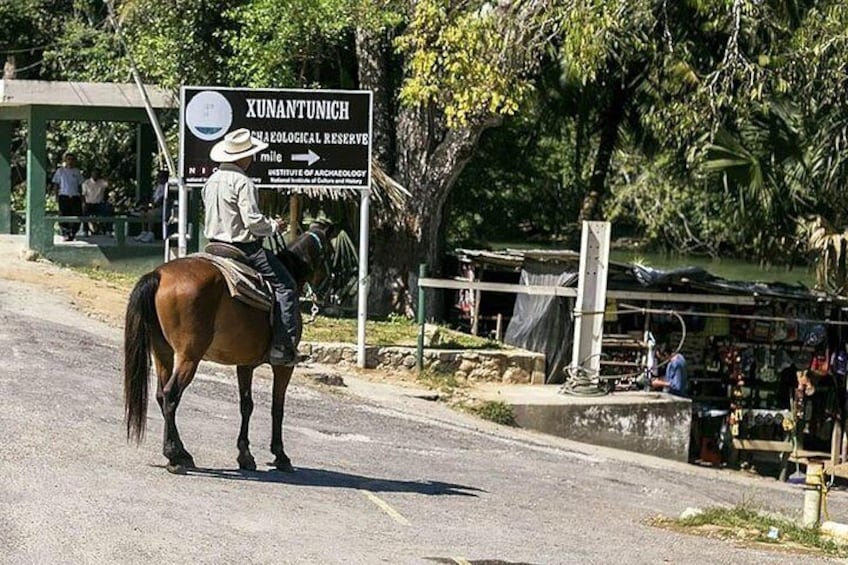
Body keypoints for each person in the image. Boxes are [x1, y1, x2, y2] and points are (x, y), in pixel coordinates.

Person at [202, 128, 299, 366]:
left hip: (213, 246)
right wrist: (274, 227)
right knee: (286, 287)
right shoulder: (243, 182)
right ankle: (282, 347)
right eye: (250, 154)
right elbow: (253, 222)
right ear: (242, 157)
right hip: (243, 249)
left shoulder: (211, 180)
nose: (252, 158)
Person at [50, 152, 84, 241]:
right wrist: (56, 196)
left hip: (75, 196)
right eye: (68, 159)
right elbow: (56, 184)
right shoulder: (60, 171)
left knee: (77, 215)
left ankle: (73, 232)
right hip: (64, 196)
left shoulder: (77, 171)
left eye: (72, 159)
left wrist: (82, 196)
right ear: (65, 160)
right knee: (64, 215)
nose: (70, 161)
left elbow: (80, 185)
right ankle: (65, 233)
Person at [132, 170, 167, 243]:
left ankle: (151, 233)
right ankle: (144, 232)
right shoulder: (158, 187)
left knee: (151, 213)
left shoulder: (167, 188)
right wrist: (147, 206)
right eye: (158, 177)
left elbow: (161, 201)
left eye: (160, 177)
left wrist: (152, 205)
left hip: (163, 209)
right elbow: (153, 199)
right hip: (154, 207)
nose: (158, 179)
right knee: (142, 212)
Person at [81, 167, 110, 236]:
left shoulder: (102, 182)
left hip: (99, 204)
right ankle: (85, 230)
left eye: (97, 173)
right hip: (89, 203)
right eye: (94, 173)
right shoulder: (86, 183)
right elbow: (83, 195)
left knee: (108, 210)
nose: (95, 175)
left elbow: (108, 185)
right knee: (84, 213)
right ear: (91, 174)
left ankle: (108, 230)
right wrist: (83, 204)